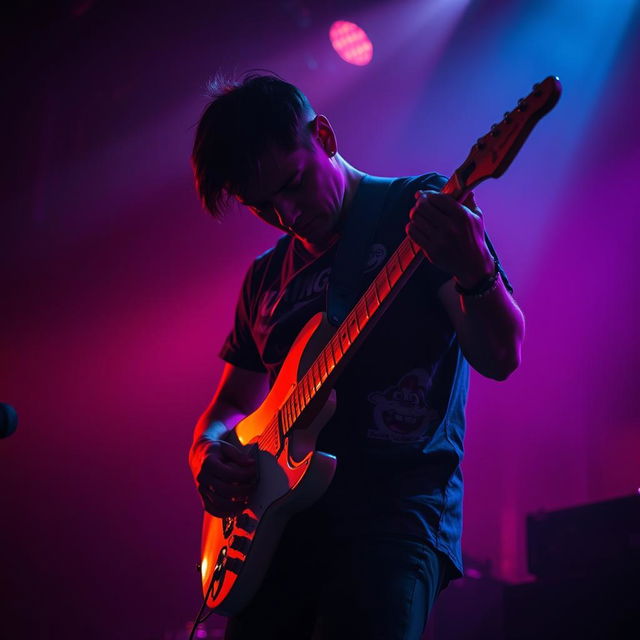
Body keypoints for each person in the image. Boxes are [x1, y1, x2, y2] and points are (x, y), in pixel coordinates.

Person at [188, 73, 524, 639]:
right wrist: (206, 454)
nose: (288, 215)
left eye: (293, 184)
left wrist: (476, 270)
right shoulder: (265, 278)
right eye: (262, 206)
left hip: (393, 519)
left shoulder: (416, 209)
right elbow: (228, 406)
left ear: (322, 135)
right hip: (276, 533)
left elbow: (501, 355)